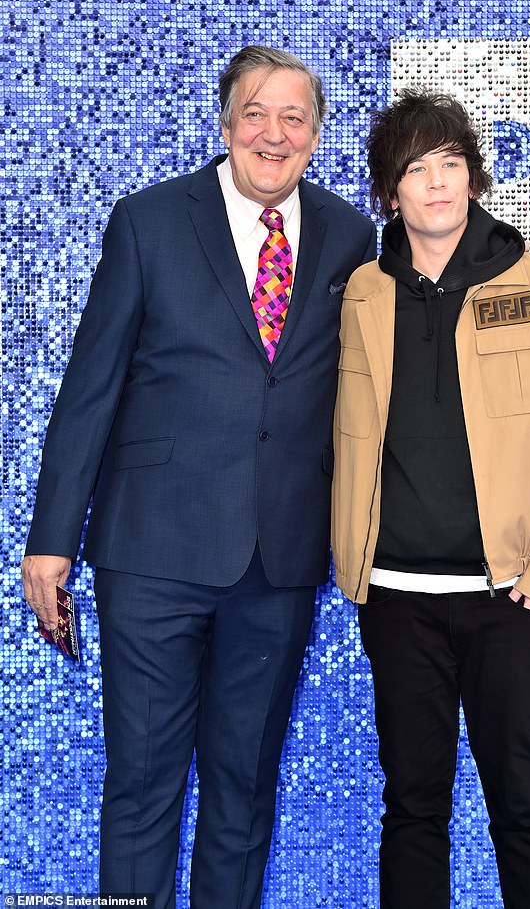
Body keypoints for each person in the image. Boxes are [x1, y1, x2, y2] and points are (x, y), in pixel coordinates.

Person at [21, 45, 375, 909]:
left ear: (317, 136)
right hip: (152, 554)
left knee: (245, 794)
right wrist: (50, 542)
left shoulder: (350, 236)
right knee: (142, 790)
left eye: (294, 117)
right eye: (256, 113)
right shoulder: (147, 220)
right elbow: (89, 386)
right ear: (225, 125)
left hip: (280, 561)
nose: (273, 133)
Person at [331, 89, 530, 908]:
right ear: (391, 192)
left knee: (523, 809)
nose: (437, 184)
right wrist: (357, 570)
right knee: (412, 812)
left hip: (511, 601)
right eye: (417, 169)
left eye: (451, 164)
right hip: (398, 600)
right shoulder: (360, 294)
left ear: (474, 179)